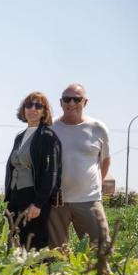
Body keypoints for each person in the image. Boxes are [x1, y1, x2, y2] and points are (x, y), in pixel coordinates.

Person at [49, 84, 111, 249]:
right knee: (56, 256)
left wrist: (94, 185)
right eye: (66, 99)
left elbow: (105, 161)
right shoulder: (50, 127)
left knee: (100, 250)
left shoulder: (98, 128)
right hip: (56, 203)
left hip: (88, 200)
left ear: (85, 102)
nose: (71, 103)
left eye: (76, 99)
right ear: (61, 102)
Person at [3, 92, 61, 250]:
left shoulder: (48, 136)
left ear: (44, 111)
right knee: (15, 243)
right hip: (15, 196)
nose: (32, 109)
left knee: (34, 244)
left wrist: (38, 204)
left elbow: (51, 174)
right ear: (23, 109)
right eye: (29, 105)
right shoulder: (20, 136)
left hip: (33, 197)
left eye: (38, 106)